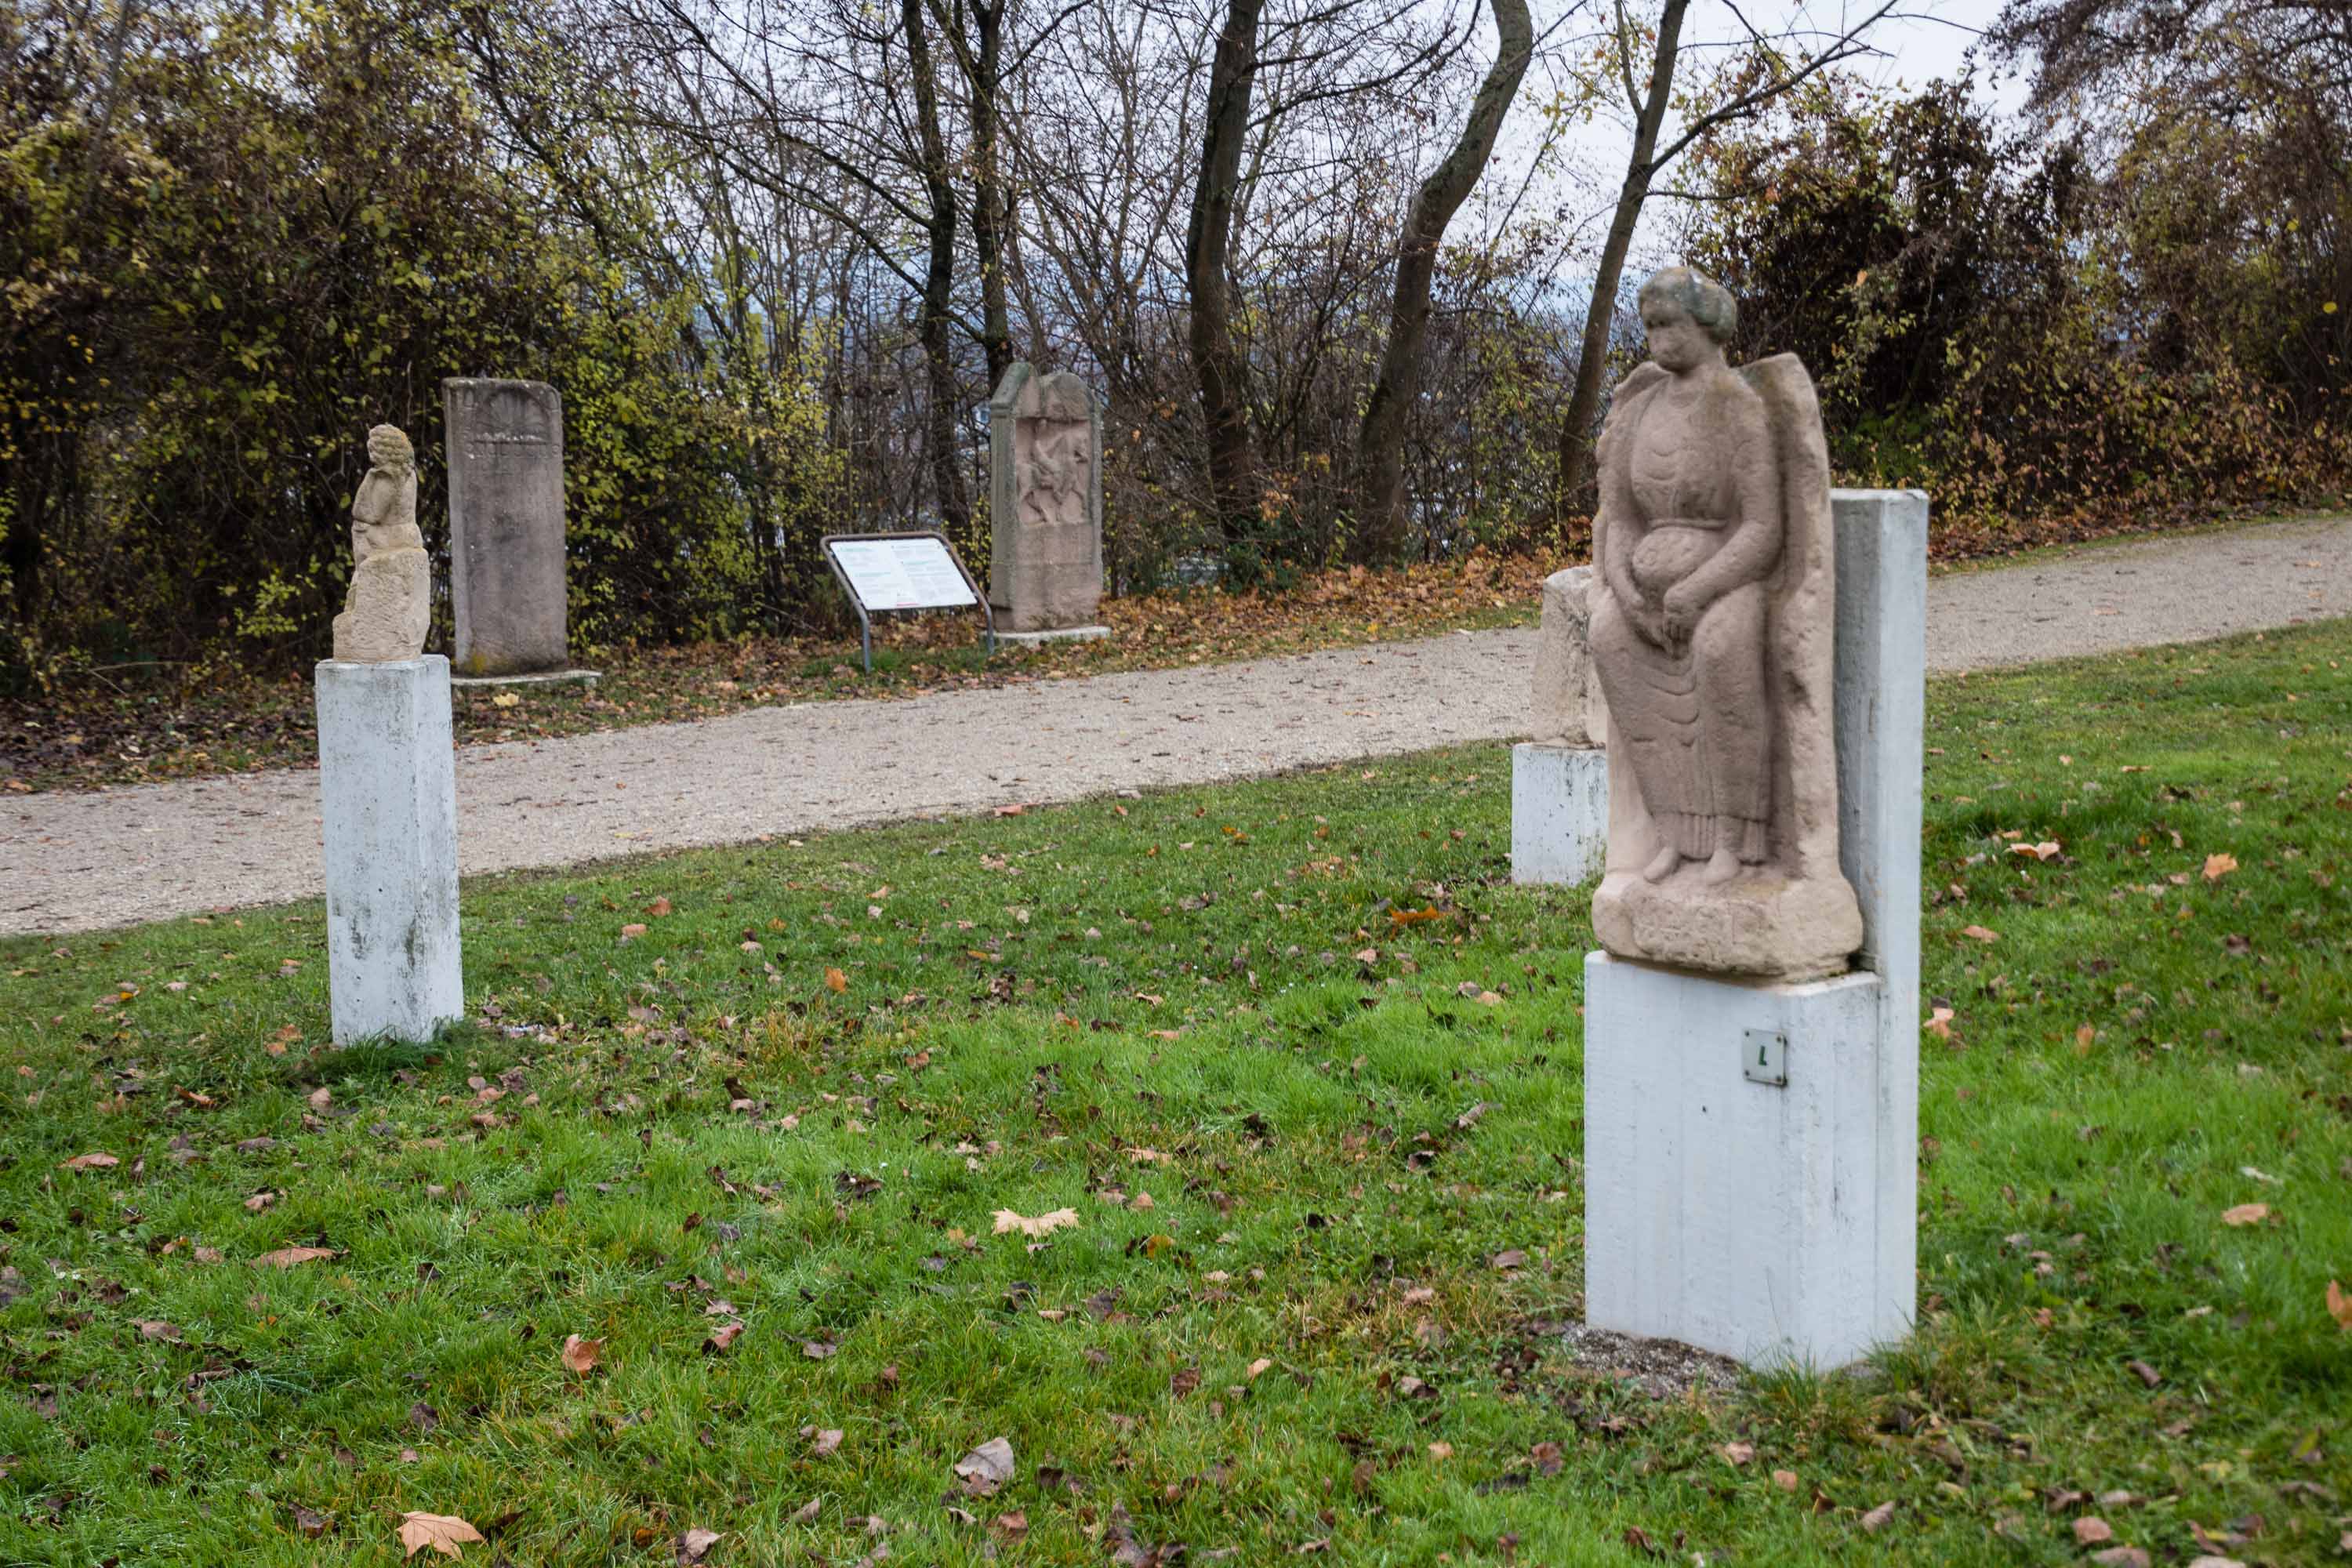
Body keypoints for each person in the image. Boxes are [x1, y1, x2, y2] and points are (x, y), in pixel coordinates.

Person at [1588, 267, 1781, 887]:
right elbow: (1618, 520)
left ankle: (1735, 836)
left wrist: (1696, 592)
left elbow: (1762, 530)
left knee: (1722, 650)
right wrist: (1627, 593)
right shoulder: (1641, 409)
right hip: (1650, 596)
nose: (1657, 339)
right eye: (1649, 327)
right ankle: (1674, 832)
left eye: (1668, 325)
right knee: (1609, 638)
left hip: (1723, 582)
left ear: (1705, 326)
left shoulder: (1738, 407)